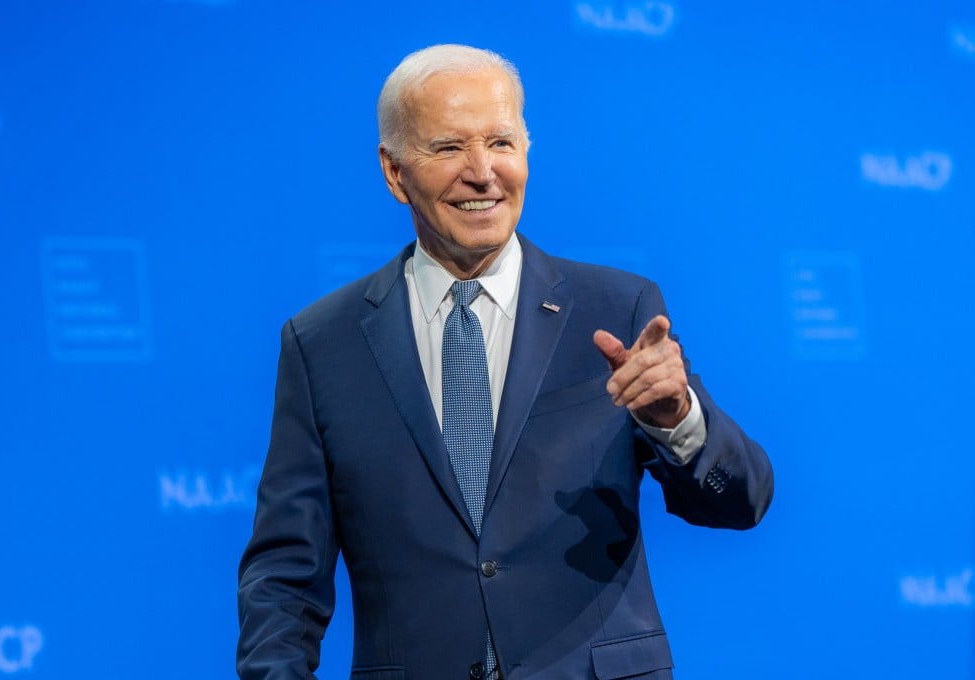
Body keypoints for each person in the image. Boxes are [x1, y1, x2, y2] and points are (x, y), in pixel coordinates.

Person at [237, 44, 773, 680]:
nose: (482, 173)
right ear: (394, 171)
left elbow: (740, 503)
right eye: (448, 148)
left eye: (501, 142)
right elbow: (284, 575)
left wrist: (678, 419)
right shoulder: (322, 342)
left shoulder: (618, 308)